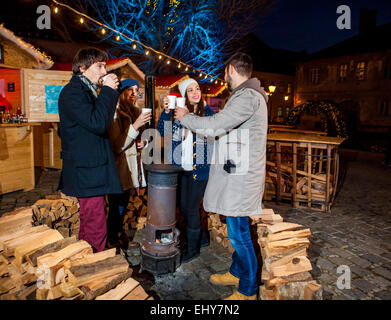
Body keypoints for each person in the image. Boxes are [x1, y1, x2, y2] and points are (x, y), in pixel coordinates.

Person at [174, 52, 268, 300]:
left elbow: (216, 125)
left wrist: (187, 118)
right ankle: (238, 272)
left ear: (231, 70)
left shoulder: (247, 97)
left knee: (239, 235)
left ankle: (247, 290)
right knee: (237, 227)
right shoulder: (244, 96)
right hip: (237, 173)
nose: (224, 77)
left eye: (225, 72)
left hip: (242, 178)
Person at [57, 47, 122, 253]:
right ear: (83, 68)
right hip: (86, 171)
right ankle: (98, 269)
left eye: (105, 66)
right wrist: (110, 91)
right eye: (100, 66)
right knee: (95, 223)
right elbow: (97, 123)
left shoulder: (87, 91)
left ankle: (87, 261)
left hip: (91, 168)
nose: (104, 71)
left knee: (90, 220)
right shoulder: (73, 92)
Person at [157, 78, 215, 263]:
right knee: (184, 207)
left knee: (190, 208)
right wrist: (166, 112)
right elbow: (162, 131)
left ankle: (193, 249)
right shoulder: (177, 112)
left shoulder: (207, 112)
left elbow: (214, 132)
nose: (195, 92)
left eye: (197, 88)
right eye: (190, 90)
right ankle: (202, 239)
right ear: (184, 95)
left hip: (200, 169)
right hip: (181, 168)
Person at [107, 78, 151, 246]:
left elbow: (137, 139)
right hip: (119, 169)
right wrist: (137, 124)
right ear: (121, 92)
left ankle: (119, 236)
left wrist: (143, 143)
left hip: (131, 168)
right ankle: (112, 239)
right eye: (130, 90)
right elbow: (118, 145)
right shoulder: (115, 112)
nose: (134, 93)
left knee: (124, 205)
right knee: (116, 207)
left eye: (136, 89)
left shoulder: (134, 110)